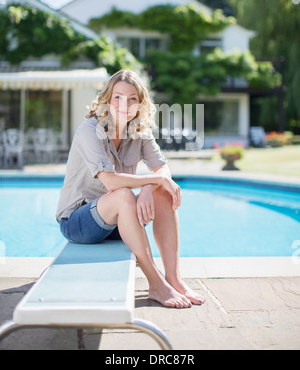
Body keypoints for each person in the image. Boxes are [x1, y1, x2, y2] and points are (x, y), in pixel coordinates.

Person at [56, 69, 205, 308]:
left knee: (162, 191)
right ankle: (155, 283)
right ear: (106, 99)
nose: (124, 104)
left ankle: (174, 278)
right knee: (125, 194)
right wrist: (150, 181)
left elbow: (162, 169)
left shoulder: (140, 131)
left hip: (117, 221)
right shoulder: (89, 130)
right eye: (117, 97)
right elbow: (112, 182)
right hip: (78, 221)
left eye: (132, 98)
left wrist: (150, 186)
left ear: (141, 103)